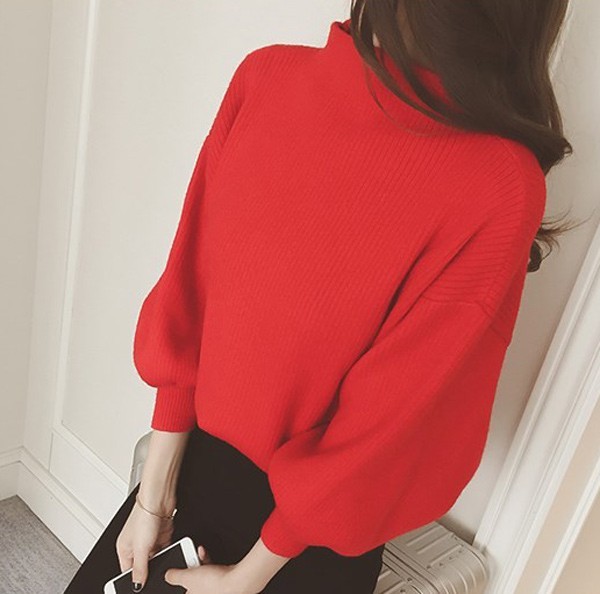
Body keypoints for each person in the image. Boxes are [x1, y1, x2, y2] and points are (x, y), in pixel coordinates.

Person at [64, 1, 575, 593]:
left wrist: (246, 577)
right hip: (205, 471)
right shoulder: (265, 78)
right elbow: (190, 294)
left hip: (307, 542)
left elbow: (385, 426)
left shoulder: (498, 184)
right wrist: (152, 501)